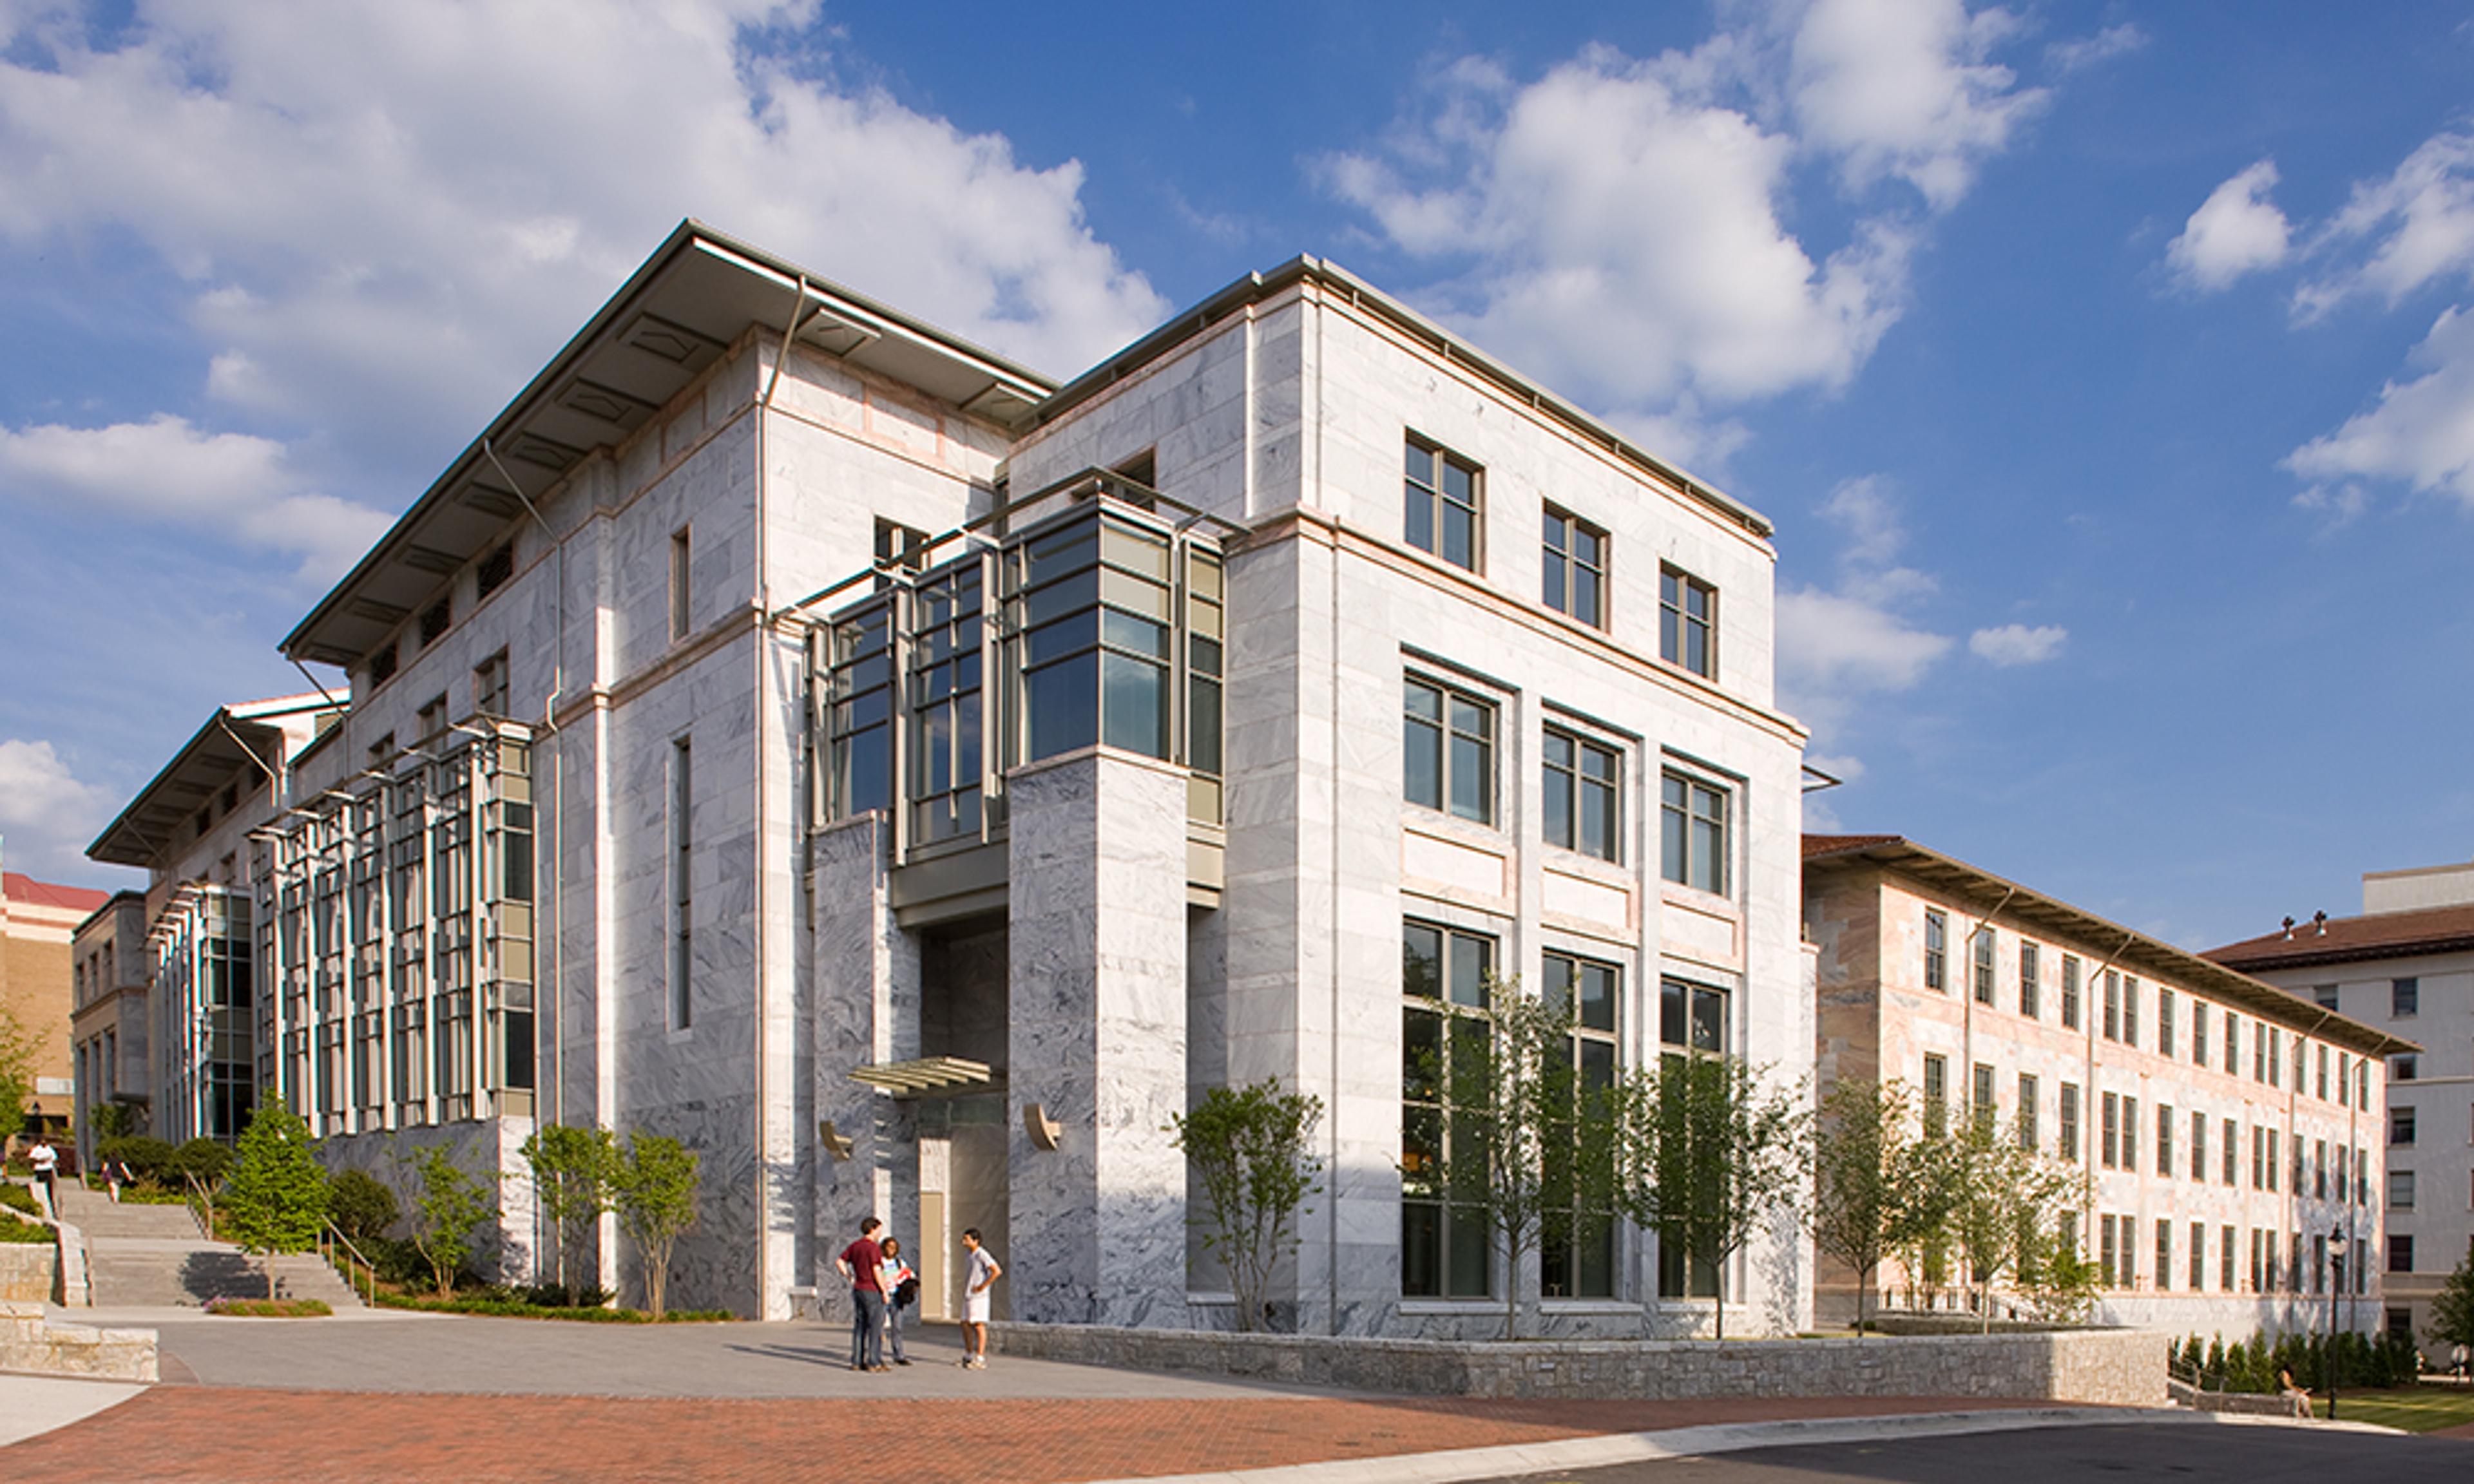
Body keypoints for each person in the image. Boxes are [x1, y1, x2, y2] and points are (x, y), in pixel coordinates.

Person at [834, 1216, 888, 1372]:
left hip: (859, 1288)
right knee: (875, 1327)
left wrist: (850, 1277)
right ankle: (874, 1361)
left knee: (860, 1326)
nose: (880, 1233)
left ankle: (857, 1361)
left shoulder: (856, 1246)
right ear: (872, 1229)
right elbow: (876, 1270)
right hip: (872, 1289)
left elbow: (840, 1261)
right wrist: (884, 1290)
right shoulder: (873, 1248)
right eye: (879, 1230)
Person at [959, 1227, 1001, 1371]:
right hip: (969, 1294)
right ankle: (969, 1354)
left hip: (979, 1296)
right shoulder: (969, 1254)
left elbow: (996, 1271)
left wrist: (983, 1286)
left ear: (975, 1241)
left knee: (978, 1325)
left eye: (967, 1239)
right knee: (965, 1323)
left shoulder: (981, 1254)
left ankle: (980, 1357)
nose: (964, 1242)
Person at [878, 1236, 917, 1366]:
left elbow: (909, 1274)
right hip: (883, 1295)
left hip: (896, 1296)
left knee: (897, 1327)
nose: (891, 1250)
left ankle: (899, 1355)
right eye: (889, 1247)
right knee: (879, 1327)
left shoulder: (899, 1262)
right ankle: (876, 1354)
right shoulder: (880, 1262)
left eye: (894, 1248)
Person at [26, 1136, 57, 1217]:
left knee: (49, 1188)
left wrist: (48, 1160)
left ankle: (52, 1206)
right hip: (40, 1169)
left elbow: (54, 1158)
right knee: (41, 1186)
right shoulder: (36, 1149)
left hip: (48, 1168)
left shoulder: (49, 1149)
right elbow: (31, 1157)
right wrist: (39, 1160)